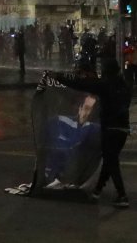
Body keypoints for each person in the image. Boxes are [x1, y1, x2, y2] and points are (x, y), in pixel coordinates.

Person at [47, 58, 131, 208]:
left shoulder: (105, 85)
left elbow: (81, 84)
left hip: (110, 129)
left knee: (111, 162)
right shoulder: (123, 85)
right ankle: (98, 191)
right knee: (109, 161)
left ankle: (122, 195)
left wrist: (59, 77)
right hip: (123, 129)